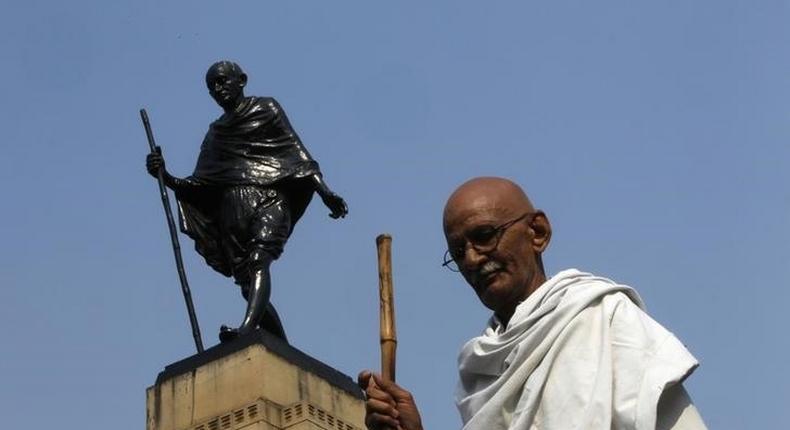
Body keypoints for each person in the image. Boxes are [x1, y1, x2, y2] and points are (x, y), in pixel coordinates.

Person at [359, 177, 706, 429]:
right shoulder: (479, 372)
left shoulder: (602, 318)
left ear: (537, 232)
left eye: (484, 237)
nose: (472, 259)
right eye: (458, 252)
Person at [147, 60, 348, 342]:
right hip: (233, 209)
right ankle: (280, 346)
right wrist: (163, 174)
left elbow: (296, 155)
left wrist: (325, 192)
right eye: (211, 87)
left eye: (221, 81)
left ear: (241, 80)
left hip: (271, 199)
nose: (217, 89)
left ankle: (247, 328)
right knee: (247, 286)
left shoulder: (266, 109)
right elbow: (198, 184)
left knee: (258, 262)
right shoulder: (216, 133)